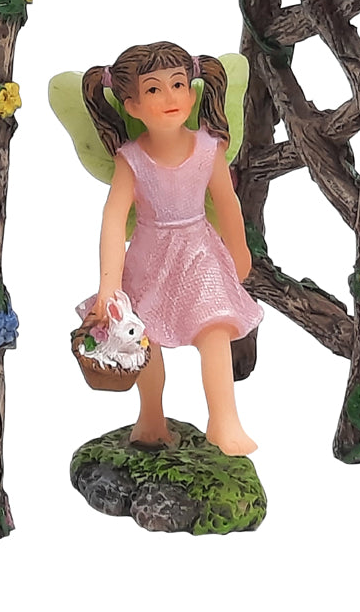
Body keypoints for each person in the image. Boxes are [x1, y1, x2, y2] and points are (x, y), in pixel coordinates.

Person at [81, 41, 263, 456]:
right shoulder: (131, 159)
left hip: (200, 254)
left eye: (178, 84)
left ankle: (224, 420)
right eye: (154, 89)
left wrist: (239, 249)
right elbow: (113, 220)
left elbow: (226, 201)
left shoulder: (208, 148)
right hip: (149, 256)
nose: (170, 97)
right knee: (146, 336)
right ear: (132, 106)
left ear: (193, 93)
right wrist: (109, 285)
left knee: (215, 329)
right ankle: (151, 416)